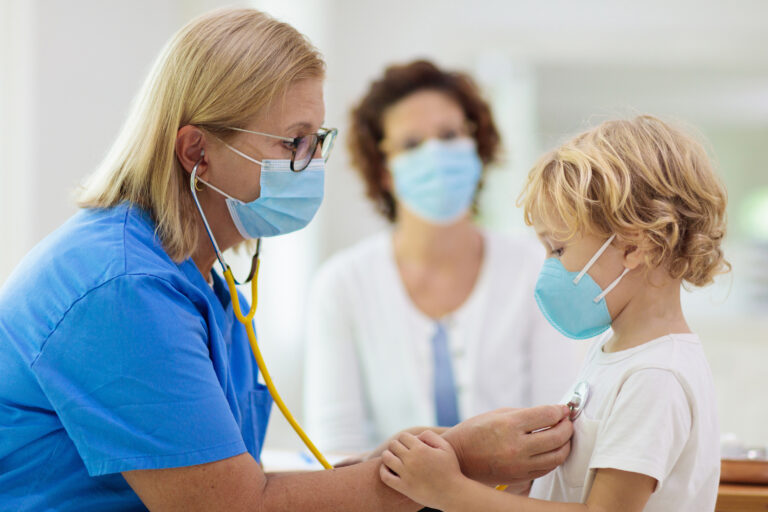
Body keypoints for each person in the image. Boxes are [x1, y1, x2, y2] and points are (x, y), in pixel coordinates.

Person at [0, 8, 574, 511]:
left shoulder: (198, 278)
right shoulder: (122, 289)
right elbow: (235, 507)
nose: (311, 163)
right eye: (291, 142)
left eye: (315, 142)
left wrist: (430, 464)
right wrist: (457, 458)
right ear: (198, 151)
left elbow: (236, 479)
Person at [377, 115, 727, 511]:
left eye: (558, 249)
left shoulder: (654, 377)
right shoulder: (614, 353)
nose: (547, 267)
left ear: (635, 247)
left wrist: (451, 492)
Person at [304, 60, 581, 453]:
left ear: (477, 145)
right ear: (383, 170)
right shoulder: (342, 284)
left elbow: (559, 425)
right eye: (412, 144)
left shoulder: (536, 268)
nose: (435, 154)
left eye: (450, 135)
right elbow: (336, 449)